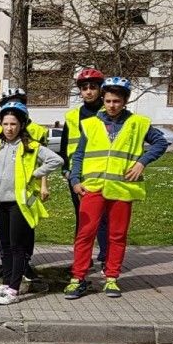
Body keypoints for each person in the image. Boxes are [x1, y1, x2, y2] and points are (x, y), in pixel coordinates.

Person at [64, 76, 169, 300]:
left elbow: (161, 142)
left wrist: (142, 162)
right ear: (103, 99)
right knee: (85, 234)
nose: (112, 105)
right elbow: (79, 154)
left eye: (117, 101)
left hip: (122, 188)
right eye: (109, 100)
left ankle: (112, 278)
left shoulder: (138, 123)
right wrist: (75, 180)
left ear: (125, 101)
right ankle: (78, 278)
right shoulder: (90, 124)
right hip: (93, 187)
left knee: (117, 235)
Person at [0, 102, 63, 305]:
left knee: (17, 247)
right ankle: (6, 284)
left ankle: (14, 288)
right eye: (5, 124)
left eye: (13, 124)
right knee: (4, 246)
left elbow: (56, 160)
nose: (9, 128)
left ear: (21, 125)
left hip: (19, 204)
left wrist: (35, 174)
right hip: (0, 202)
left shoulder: (30, 147)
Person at [0, 85, 50, 281]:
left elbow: (42, 158)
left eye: (19, 102)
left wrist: (43, 183)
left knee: (26, 228)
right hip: (2, 187)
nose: (14, 105)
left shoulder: (37, 131)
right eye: (9, 103)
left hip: (27, 188)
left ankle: (25, 263)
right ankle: (5, 264)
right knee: (5, 232)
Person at [60, 66, 109, 269]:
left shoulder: (110, 112)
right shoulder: (72, 117)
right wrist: (66, 171)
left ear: (100, 89)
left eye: (93, 87)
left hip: (106, 173)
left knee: (106, 218)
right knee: (83, 218)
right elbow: (64, 147)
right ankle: (83, 258)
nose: (88, 91)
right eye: (84, 88)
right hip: (78, 175)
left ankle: (106, 256)